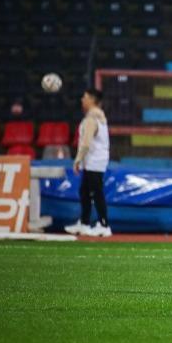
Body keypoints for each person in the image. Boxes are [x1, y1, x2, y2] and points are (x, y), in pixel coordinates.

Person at [65, 88, 111, 237]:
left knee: (96, 192)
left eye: (84, 97)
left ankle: (104, 225)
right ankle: (84, 223)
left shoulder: (92, 119)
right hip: (93, 160)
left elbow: (86, 143)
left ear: (92, 100)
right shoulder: (97, 116)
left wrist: (77, 159)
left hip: (95, 161)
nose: (82, 100)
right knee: (84, 191)